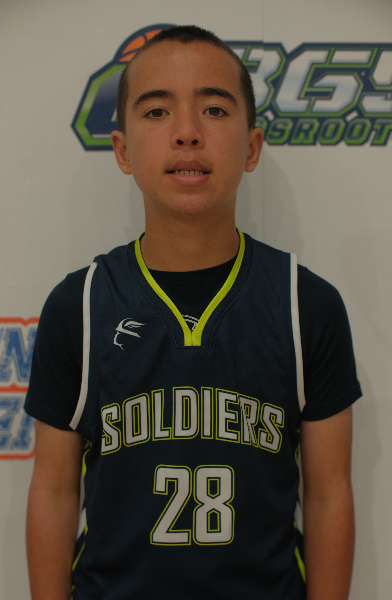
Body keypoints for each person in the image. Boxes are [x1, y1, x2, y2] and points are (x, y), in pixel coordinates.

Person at [25, 25, 362, 600]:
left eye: (214, 109)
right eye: (157, 111)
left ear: (251, 147)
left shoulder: (306, 305)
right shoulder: (78, 305)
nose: (187, 132)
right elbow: (54, 492)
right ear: (123, 150)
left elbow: (329, 494)